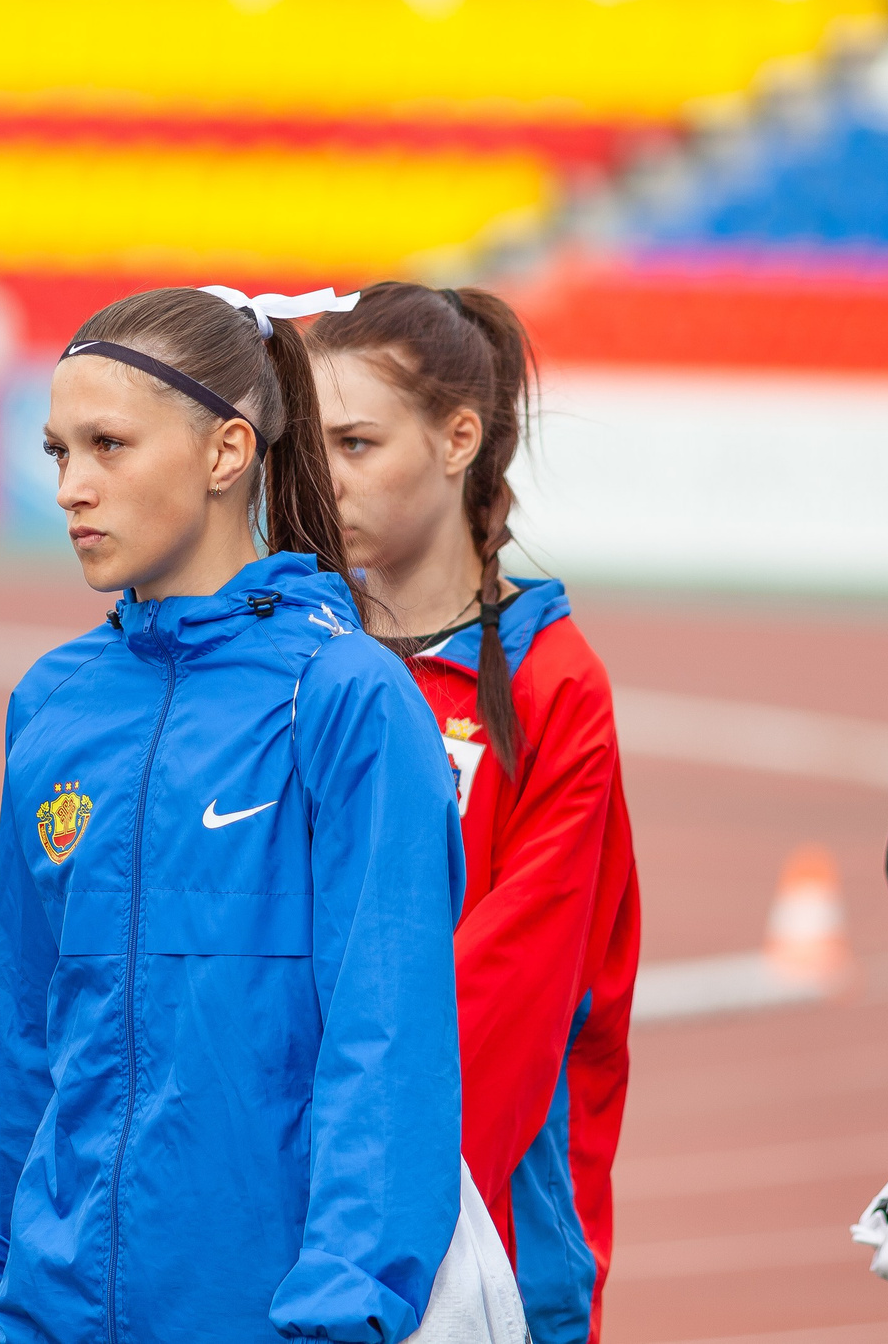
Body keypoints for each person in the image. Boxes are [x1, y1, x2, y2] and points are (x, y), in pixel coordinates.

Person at [0, 285, 467, 1343]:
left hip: (269, 1313)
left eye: (108, 446)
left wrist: (345, 1297)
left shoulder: (346, 698)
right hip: (53, 1308)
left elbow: (387, 1036)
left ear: (227, 453)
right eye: (57, 453)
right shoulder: (53, 703)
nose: (70, 489)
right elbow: (28, 1026)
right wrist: (1, 1256)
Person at [312, 282, 640, 1344]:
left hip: (475, 1208)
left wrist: (369, 1179)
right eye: (310, 448)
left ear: (458, 439)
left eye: (357, 444)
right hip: (292, 1181)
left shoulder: (550, 684)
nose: (325, 480)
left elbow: (520, 979)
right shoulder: (297, 654)